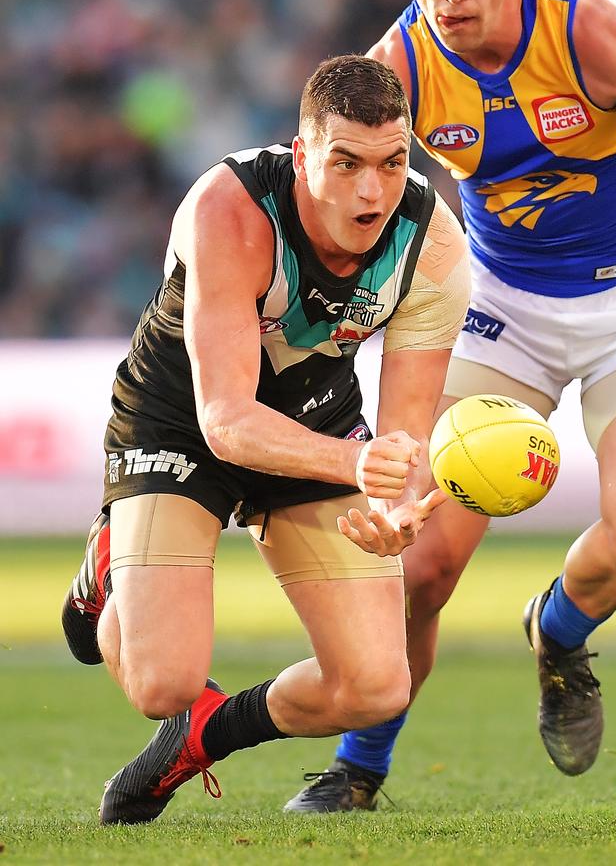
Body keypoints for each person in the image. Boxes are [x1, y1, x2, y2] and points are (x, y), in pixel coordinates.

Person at [285, 0, 616, 813]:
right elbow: (331, 209)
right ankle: (359, 770)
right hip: (502, 309)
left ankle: (559, 629)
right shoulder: (396, 72)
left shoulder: (591, 32)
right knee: (422, 561)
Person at [60, 53, 471, 825]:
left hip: (313, 414)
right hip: (179, 417)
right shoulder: (231, 209)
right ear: (302, 151)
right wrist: (359, 461)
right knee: (161, 684)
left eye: (391, 163)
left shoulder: (437, 249)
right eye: (346, 162)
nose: (373, 190)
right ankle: (109, 560)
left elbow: (407, 434)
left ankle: (207, 733)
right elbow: (226, 417)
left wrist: (399, 505)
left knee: (377, 687)